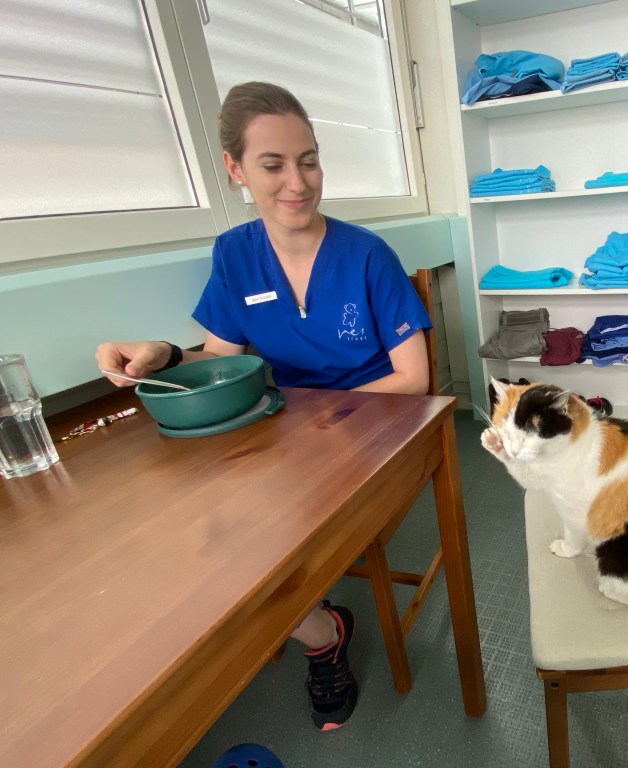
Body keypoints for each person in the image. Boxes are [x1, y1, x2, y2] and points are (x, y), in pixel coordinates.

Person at [96, 82, 432, 731]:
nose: (297, 183)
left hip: (377, 429)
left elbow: (412, 379)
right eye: (273, 164)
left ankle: (306, 628)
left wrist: (319, 417)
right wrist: (161, 353)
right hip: (288, 433)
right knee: (198, 529)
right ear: (236, 169)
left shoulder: (367, 254)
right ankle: (320, 628)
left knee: (255, 536)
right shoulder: (235, 254)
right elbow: (221, 358)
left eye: (309, 161)